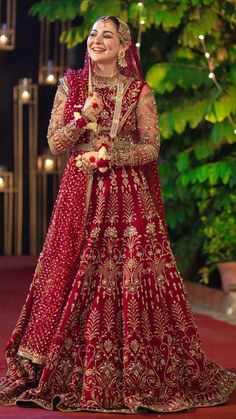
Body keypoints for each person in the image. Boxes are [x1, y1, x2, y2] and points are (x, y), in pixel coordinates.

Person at [0, 16, 235, 414]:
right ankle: (57, 364)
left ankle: (131, 372)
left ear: (124, 48)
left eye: (106, 35)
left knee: (122, 278)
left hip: (127, 202)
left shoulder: (139, 93)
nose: (96, 40)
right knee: (67, 273)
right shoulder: (71, 86)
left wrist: (111, 155)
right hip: (79, 197)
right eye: (93, 34)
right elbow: (56, 143)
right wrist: (83, 118)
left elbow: (151, 148)